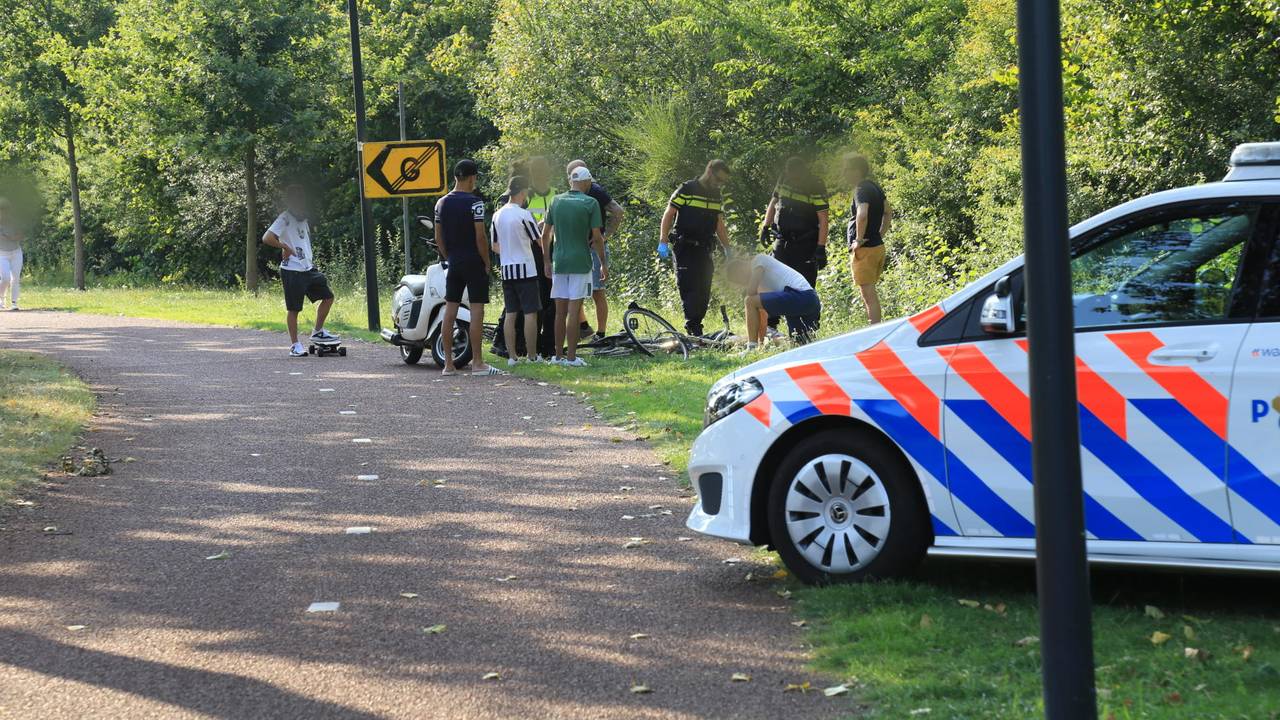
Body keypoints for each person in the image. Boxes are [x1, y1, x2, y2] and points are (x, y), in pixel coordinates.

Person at [434, 159, 502, 376]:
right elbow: (480, 236)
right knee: (477, 311)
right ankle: (478, 363)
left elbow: (438, 237)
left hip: (453, 261)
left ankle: (448, 365)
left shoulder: (441, 203)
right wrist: (486, 262)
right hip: (473, 261)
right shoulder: (475, 203)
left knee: (450, 310)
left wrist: (449, 256)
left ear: (455, 177)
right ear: (472, 178)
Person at [261, 184, 339, 357]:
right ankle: (295, 345)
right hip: (292, 270)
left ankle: (318, 331)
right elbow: (267, 237)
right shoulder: (285, 218)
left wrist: (287, 245)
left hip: (307, 267)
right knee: (294, 309)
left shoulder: (303, 218)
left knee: (328, 297)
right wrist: (284, 247)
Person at [541, 166, 606, 367]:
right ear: (586, 183)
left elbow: (545, 234)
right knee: (574, 309)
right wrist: (603, 263)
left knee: (560, 312)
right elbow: (597, 237)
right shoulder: (590, 202)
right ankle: (571, 358)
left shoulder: (556, 200)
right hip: (581, 262)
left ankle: (558, 356)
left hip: (559, 262)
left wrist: (546, 260)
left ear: (571, 181)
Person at [659, 159, 732, 335]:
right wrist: (663, 241)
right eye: (718, 179)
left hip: (705, 247)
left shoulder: (715, 195)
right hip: (685, 246)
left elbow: (718, 223)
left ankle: (697, 324)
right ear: (709, 172)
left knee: (704, 287)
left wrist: (728, 247)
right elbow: (669, 214)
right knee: (689, 285)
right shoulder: (687, 189)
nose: (719, 183)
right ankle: (693, 326)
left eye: (723, 181)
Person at [760, 156, 828, 338]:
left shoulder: (815, 184)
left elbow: (823, 217)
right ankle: (770, 327)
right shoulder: (784, 178)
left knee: (803, 284)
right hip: (782, 241)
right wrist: (765, 227)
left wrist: (821, 248)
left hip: (805, 243)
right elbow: (773, 202)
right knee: (773, 281)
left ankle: (807, 329)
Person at [565, 159, 623, 341]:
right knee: (575, 290)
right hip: (578, 247)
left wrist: (607, 235)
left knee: (597, 290)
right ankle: (583, 327)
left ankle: (601, 333)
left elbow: (618, 211)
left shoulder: (596, 191)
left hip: (594, 246)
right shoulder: (573, 194)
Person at [490, 176, 544, 365]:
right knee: (530, 313)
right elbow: (538, 240)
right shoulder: (524, 214)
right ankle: (531, 356)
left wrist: (510, 250)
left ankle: (512, 357)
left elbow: (495, 246)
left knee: (511, 313)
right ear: (522, 192)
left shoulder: (497, 215)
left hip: (507, 269)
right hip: (526, 270)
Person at [727, 253, 821, 350]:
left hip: (801, 296)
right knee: (801, 346)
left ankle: (751, 348)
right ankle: (755, 346)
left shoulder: (759, 260)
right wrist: (761, 343)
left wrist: (753, 346)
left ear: (740, 270)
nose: (745, 284)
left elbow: (751, 293)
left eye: (741, 280)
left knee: (749, 301)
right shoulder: (764, 282)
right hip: (809, 301)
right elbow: (762, 315)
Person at [842, 153, 892, 323]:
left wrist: (858, 240)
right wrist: (880, 234)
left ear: (856, 171)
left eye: (847, 170)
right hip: (877, 246)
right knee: (871, 295)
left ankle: (875, 333)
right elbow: (888, 212)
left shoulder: (861, 189)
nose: (844, 173)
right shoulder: (874, 187)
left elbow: (862, 214)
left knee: (869, 296)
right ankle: (875, 329)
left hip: (866, 250)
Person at [0, 198, 25, 311]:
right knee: (5, 278)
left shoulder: (15, 221)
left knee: (15, 278)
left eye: (5, 210)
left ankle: (14, 303)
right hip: (2, 254)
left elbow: (21, 235)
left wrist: (11, 238)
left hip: (16, 252)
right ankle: (1, 299)